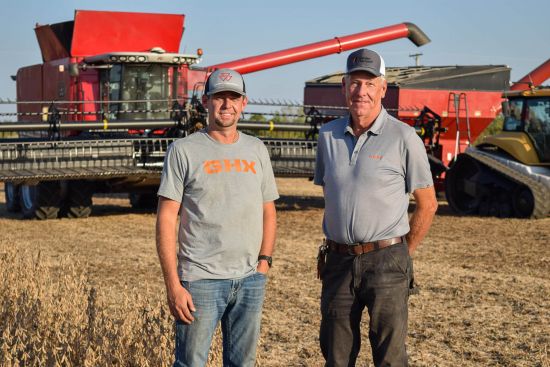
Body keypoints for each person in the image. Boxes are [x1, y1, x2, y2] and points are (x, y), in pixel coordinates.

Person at [314, 49, 438, 367]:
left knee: (390, 357)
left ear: (383, 88)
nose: (362, 92)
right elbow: (333, 192)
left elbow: (428, 204)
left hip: (387, 261)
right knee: (336, 355)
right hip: (338, 261)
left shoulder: (404, 137)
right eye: (355, 83)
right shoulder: (327, 136)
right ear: (344, 86)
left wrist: (402, 253)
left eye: (370, 84)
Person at [156, 68, 279, 367]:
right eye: (220, 97)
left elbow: (268, 210)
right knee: (191, 364)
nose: (227, 105)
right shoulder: (183, 150)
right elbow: (166, 218)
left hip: (250, 279)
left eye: (233, 98)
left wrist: (264, 262)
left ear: (244, 102)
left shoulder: (256, 149)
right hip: (200, 281)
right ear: (206, 100)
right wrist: (174, 284)